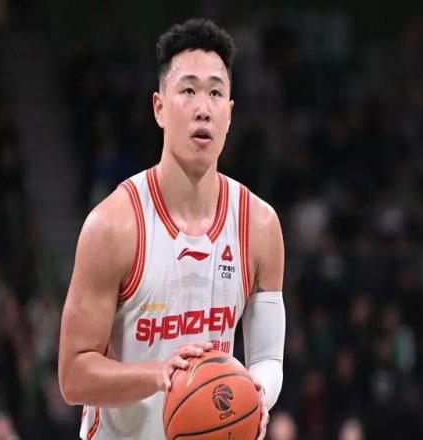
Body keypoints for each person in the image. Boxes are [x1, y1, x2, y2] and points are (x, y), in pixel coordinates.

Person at [58, 18, 286, 440]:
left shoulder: (260, 225)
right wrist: (158, 374)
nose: (203, 108)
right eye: (188, 90)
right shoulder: (112, 227)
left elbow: (268, 359)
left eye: (215, 92)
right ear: (159, 108)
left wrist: (255, 394)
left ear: (230, 113)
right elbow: (72, 376)